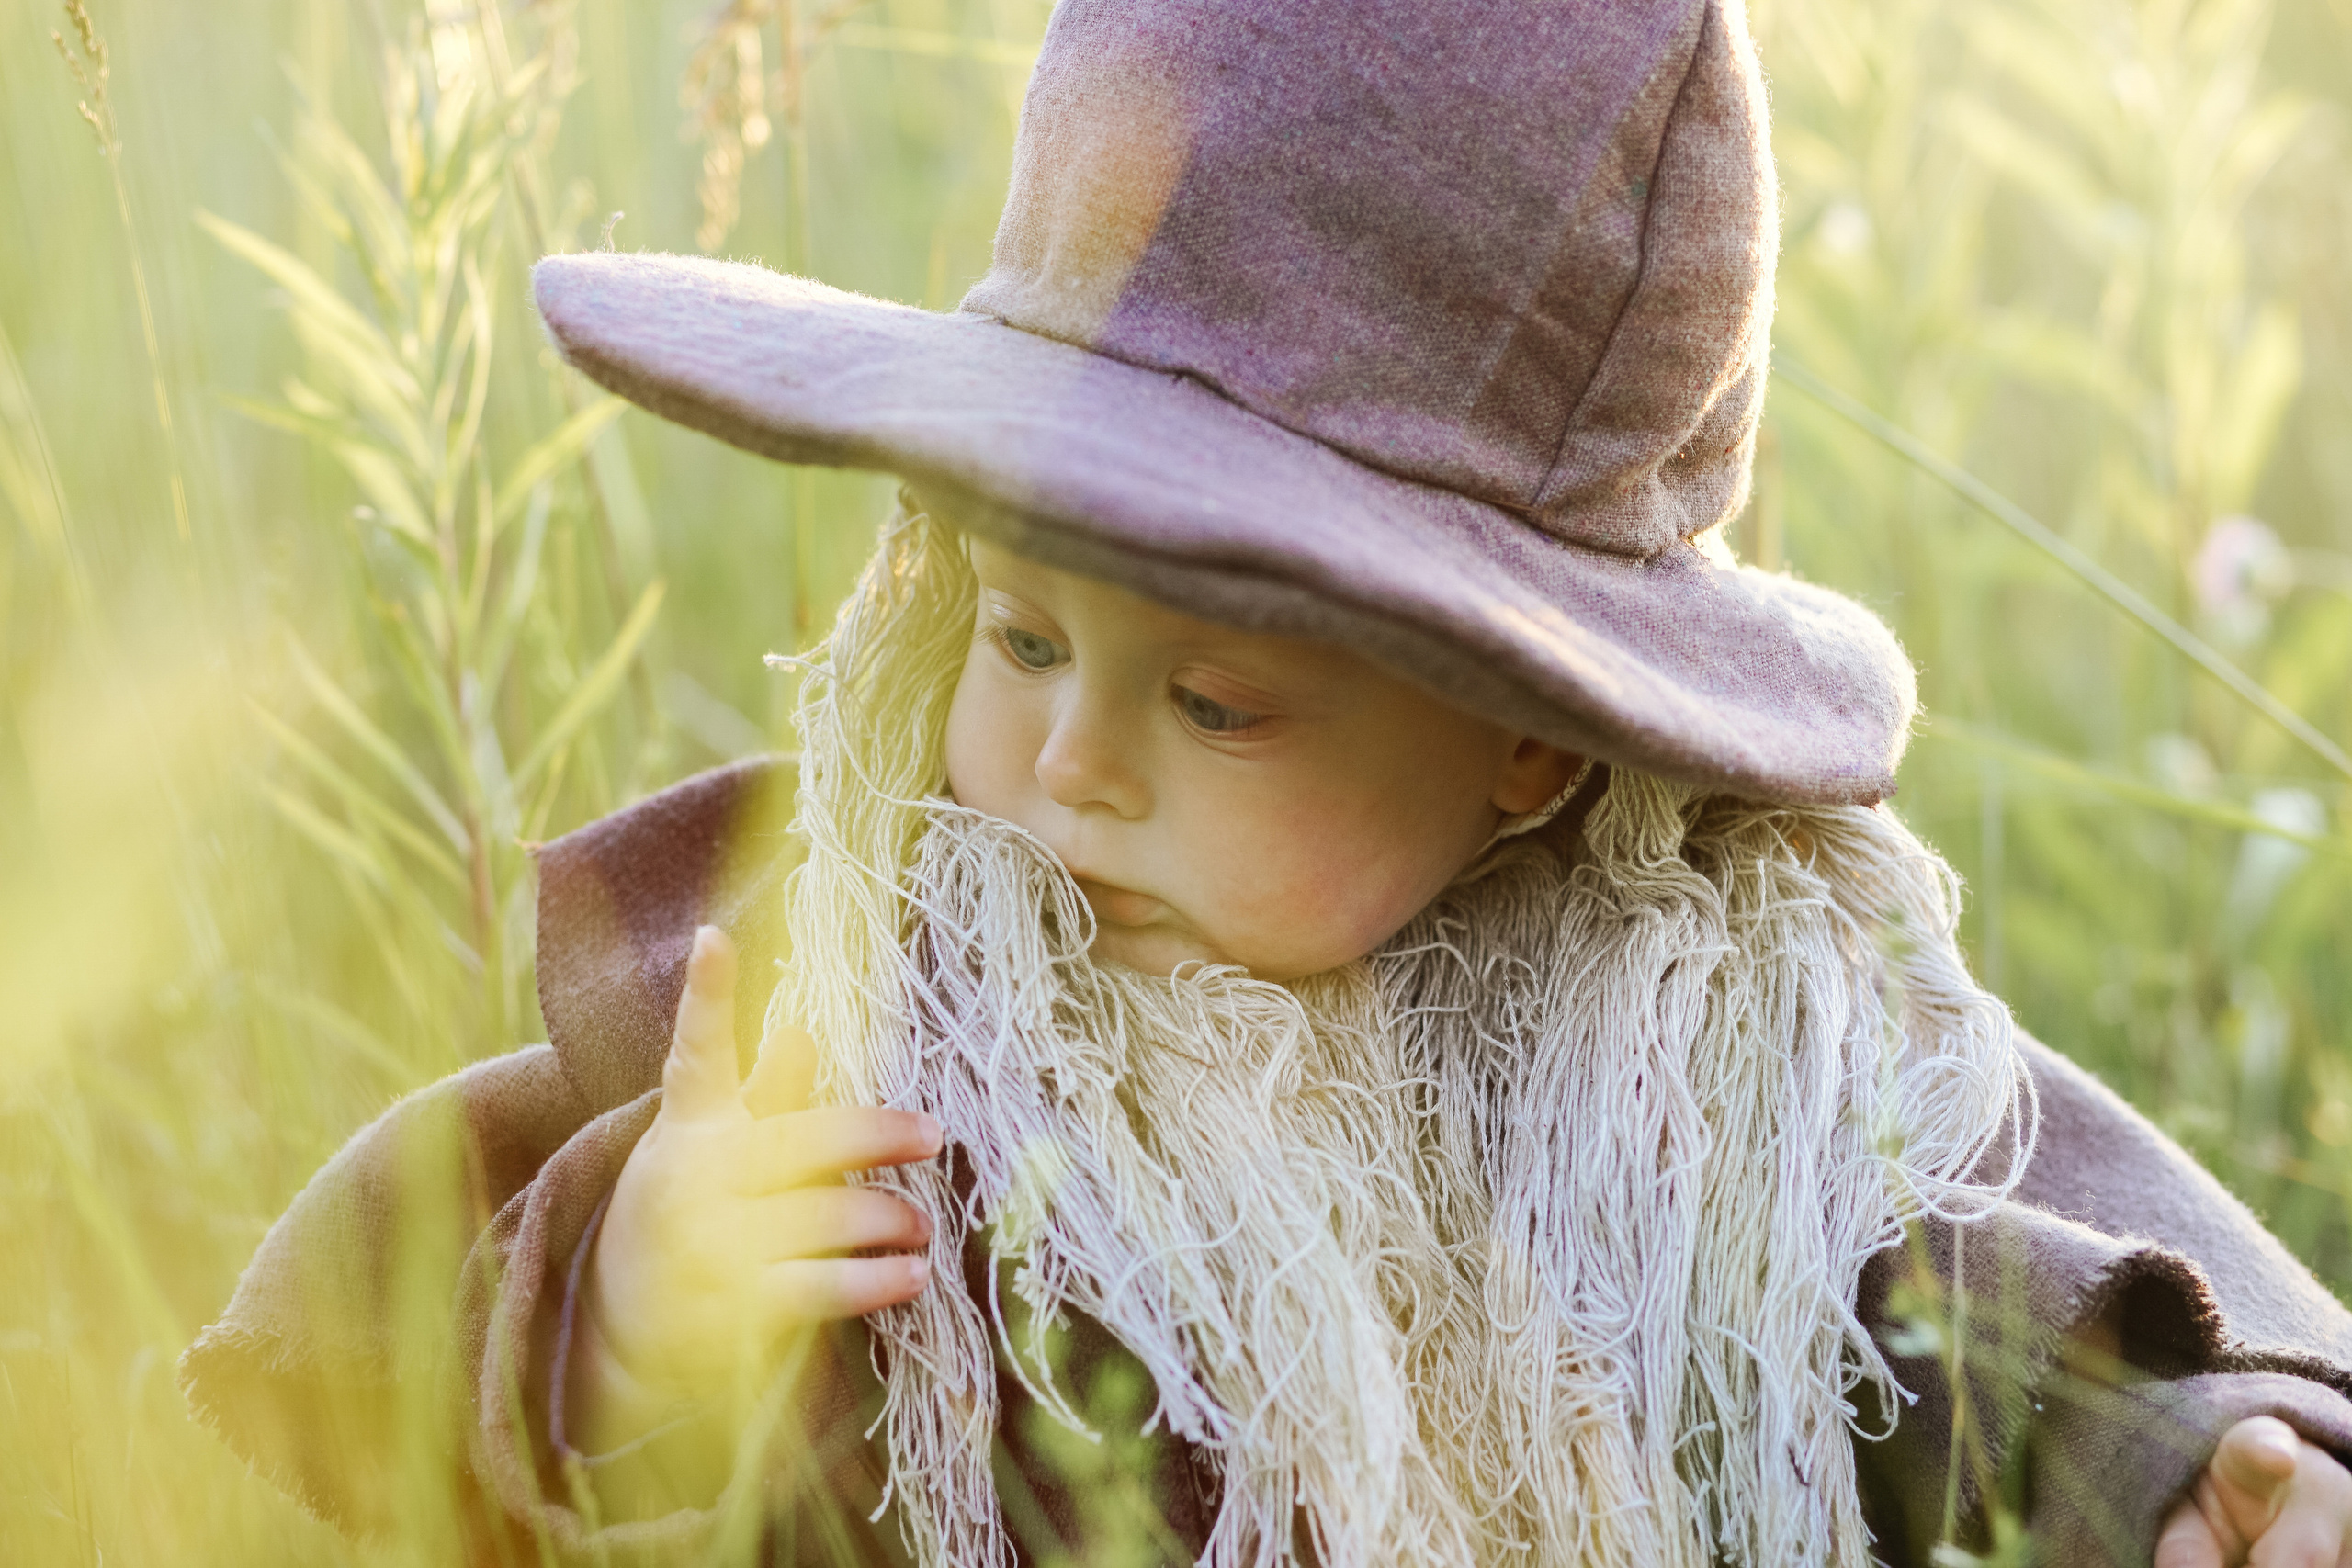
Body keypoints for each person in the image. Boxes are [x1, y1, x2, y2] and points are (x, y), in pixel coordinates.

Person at [182, 0, 2352, 1563]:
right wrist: (637, 1300)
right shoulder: (887, 979)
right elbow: (420, 1345)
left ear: (1528, 731)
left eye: (1213, 704)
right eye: (1018, 634)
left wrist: (2170, 1460)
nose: (1059, 757)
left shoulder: (1684, 1036)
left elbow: (1941, 1290)